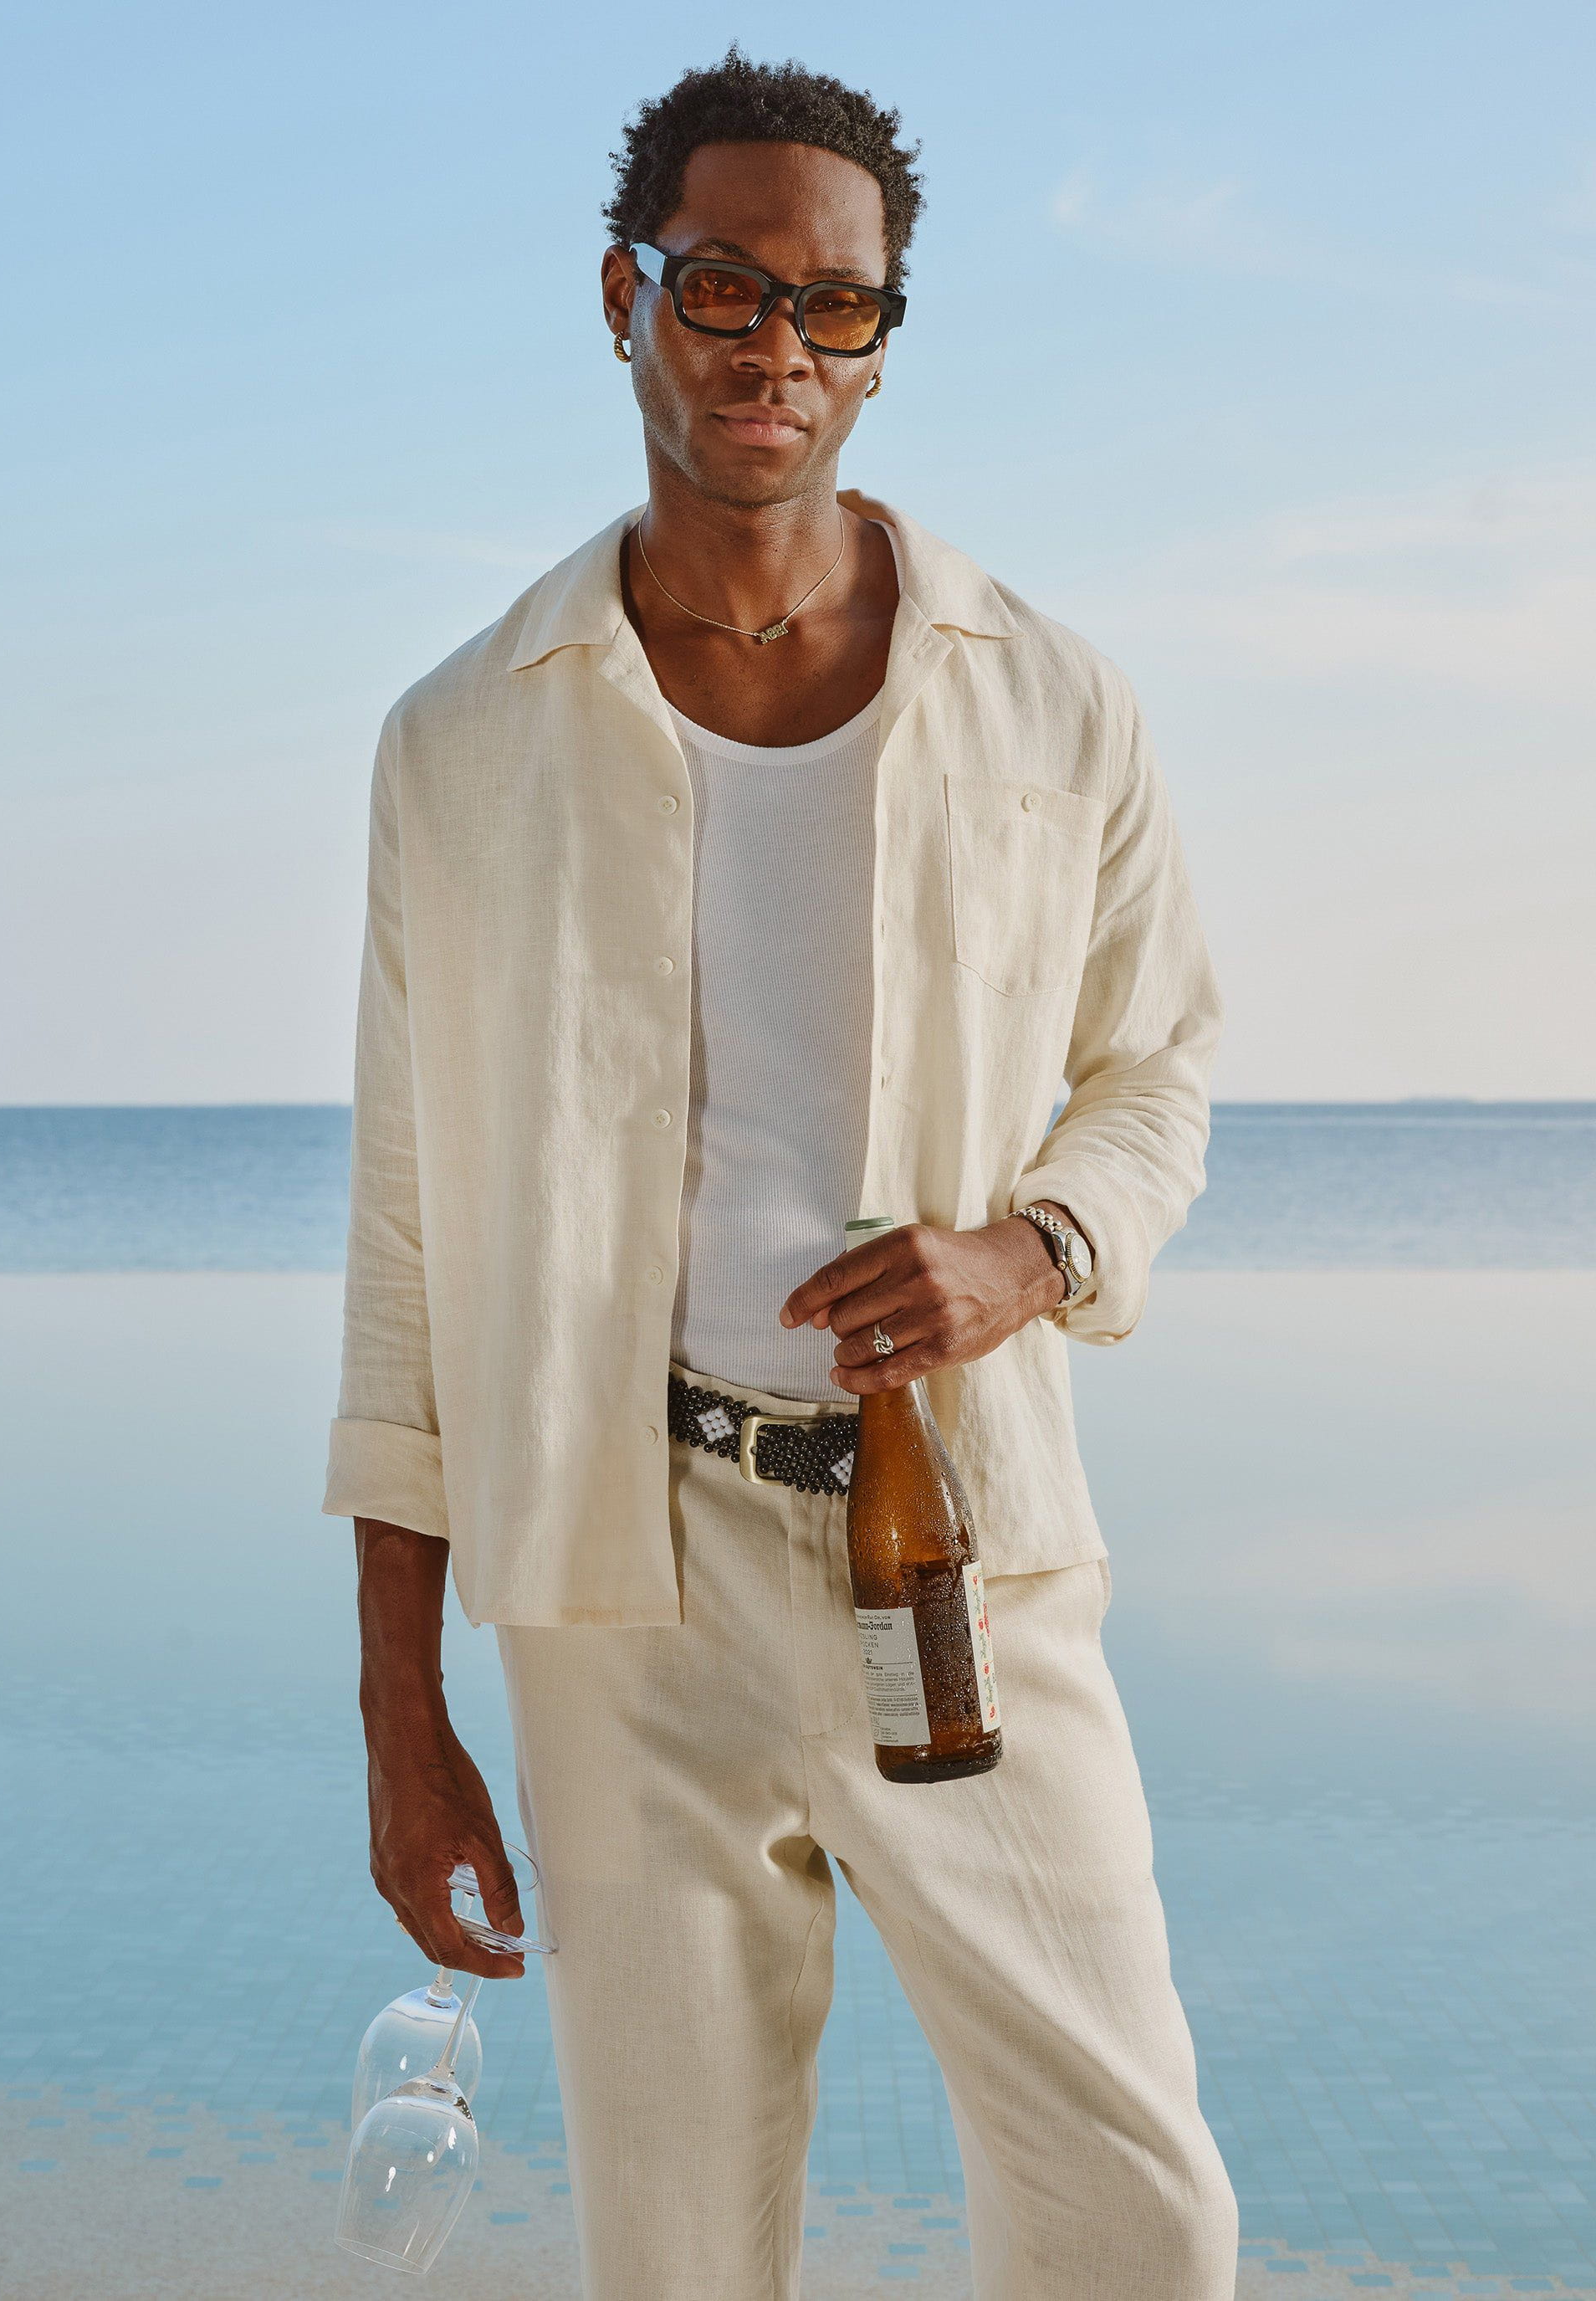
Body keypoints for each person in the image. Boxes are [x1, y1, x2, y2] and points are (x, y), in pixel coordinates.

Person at [324, 46, 1237, 2301]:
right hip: (610, 1586)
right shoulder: (462, 739)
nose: (781, 355)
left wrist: (1033, 1250)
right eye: (731, 295)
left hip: (964, 1560)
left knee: (1141, 2225)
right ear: (625, 294)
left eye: (840, 311)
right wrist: (402, 1716)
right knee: (681, 2258)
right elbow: (410, 1241)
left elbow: (1161, 1074)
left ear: (885, 338)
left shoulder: (1055, 702)